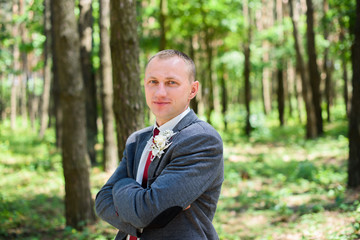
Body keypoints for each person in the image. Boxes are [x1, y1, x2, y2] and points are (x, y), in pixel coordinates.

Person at [95, 49, 224, 240]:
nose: (160, 92)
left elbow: (147, 212)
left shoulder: (202, 140)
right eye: (153, 82)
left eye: (171, 83)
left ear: (193, 90)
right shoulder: (137, 140)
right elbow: (102, 202)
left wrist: (120, 186)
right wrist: (141, 214)